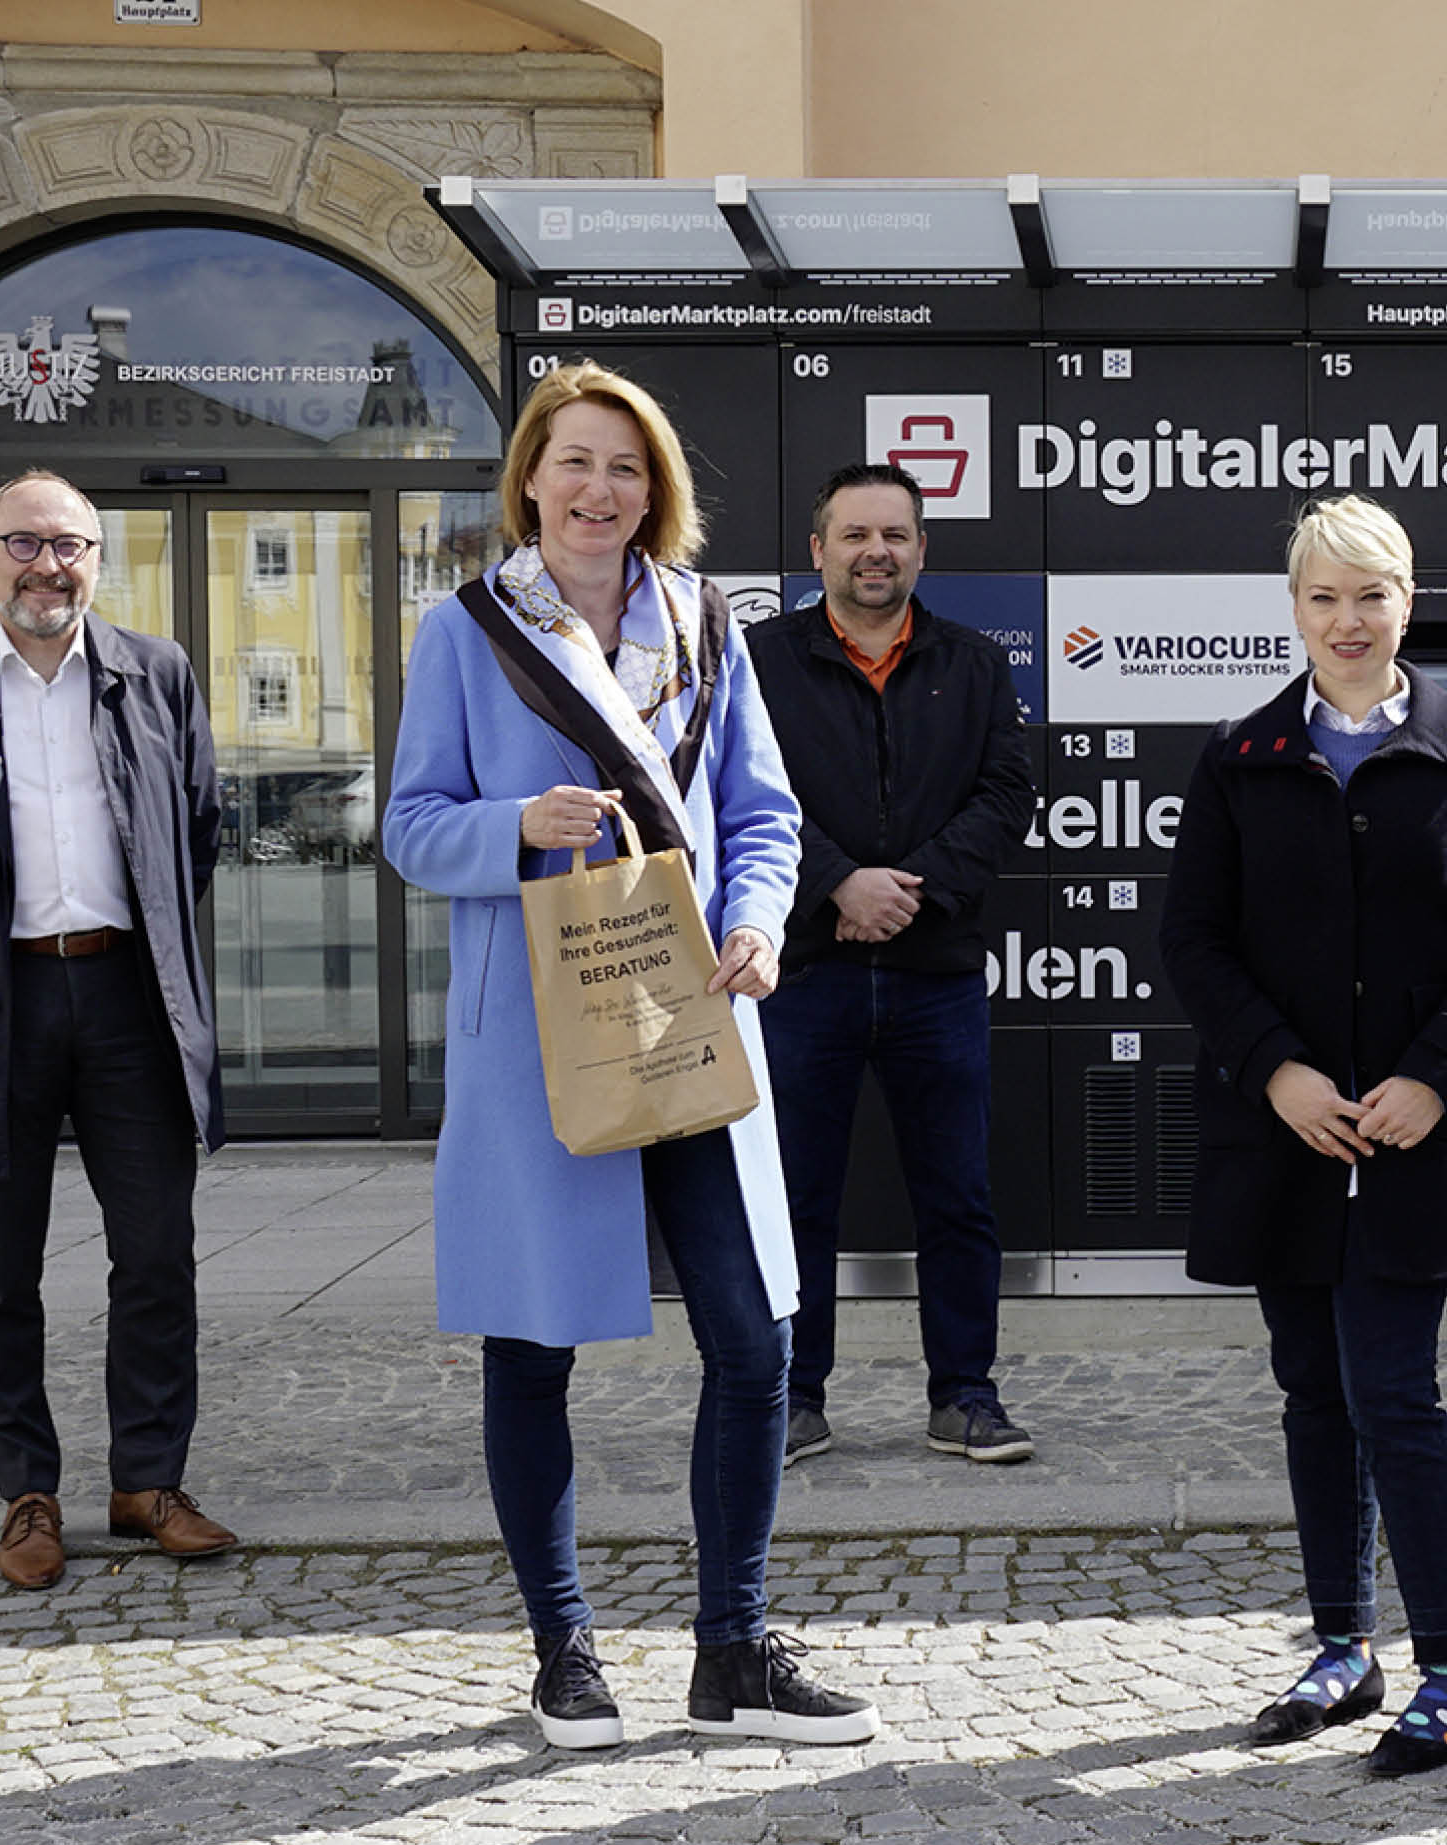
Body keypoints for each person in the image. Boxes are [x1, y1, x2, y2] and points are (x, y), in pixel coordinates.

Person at [383, 362, 877, 1751]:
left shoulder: (708, 624)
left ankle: (734, 1649)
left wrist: (760, 920)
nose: (599, 489)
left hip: (695, 1015)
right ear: (531, 480)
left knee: (753, 1334)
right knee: (532, 1339)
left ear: (653, 488)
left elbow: (764, 817)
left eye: (625, 466)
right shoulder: (466, 629)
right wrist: (512, 826)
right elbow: (409, 826)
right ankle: (565, 1651)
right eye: (575, 462)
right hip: (544, 1030)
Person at [1161, 495, 1447, 1775]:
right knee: (1312, 1392)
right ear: (1293, 607)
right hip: (1284, 1135)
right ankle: (1343, 1643)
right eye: (1323, 596)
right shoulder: (1240, 753)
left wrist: (1434, 1076)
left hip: (1416, 1136)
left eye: (1369, 594)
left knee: (1391, 1389)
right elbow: (1193, 940)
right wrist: (1274, 1070)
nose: (1346, 619)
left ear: (1406, 600)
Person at [0, 470, 232, 1590]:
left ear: (97, 558)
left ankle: (148, 1482)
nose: (48, 566)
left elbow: (197, 826)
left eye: (69, 545)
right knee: (1, 1267)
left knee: (157, 1253)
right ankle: (27, 1493)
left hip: (128, 995)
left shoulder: (155, 673)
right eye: (25, 543)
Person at [746, 462, 1037, 1468]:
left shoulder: (975, 663)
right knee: (793, 1197)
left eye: (895, 535)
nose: (876, 552)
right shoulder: (759, 661)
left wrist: (909, 888)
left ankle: (965, 1396)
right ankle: (791, 1398)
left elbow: (1006, 794)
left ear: (921, 550)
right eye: (855, 535)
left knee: (957, 1196)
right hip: (800, 969)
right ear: (817, 550)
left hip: (935, 970)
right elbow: (742, 797)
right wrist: (837, 883)